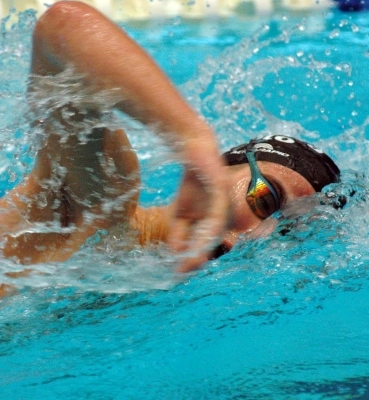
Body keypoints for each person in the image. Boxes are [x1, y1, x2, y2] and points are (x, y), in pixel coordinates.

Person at [0, 1, 340, 297]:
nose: (257, 237)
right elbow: (60, 29)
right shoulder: (101, 198)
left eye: (285, 236)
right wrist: (193, 139)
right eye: (266, 199)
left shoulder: (146, 285)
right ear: (221, 170)